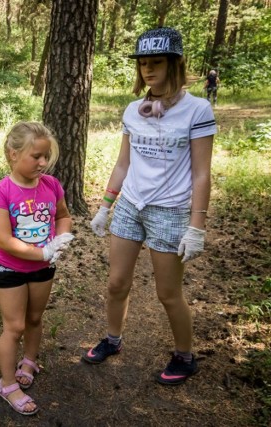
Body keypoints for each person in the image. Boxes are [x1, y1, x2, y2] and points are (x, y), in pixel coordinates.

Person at [83, 27, 216, 386]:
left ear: (175, 64)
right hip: (131, 205)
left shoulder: (197, 110)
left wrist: (196, 226)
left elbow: (202, 174)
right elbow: (123, 163)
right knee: (115, 283)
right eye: (143, 64)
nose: (148, 70)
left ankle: (185, 357)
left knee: (168, 293)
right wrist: (105, 206)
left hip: (170, 211)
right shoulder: (132, 109)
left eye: (156, 62)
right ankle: (113, 339)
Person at [0, 122, 73, 415]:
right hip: (11, 270)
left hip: (43, 268)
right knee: (15, 326)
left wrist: (60, 238)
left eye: (46, 156)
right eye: (36, 156)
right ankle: (8, 384)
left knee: (35, 318)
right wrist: (43, 251)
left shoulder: (51, 185)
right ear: (13, 154)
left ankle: (29, 360)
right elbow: (5, 240)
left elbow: (63, 215)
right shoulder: (1, 191)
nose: (42, 162)